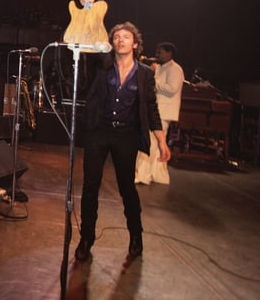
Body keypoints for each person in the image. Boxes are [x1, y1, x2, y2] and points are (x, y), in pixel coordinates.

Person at [74, 21, 171, 262]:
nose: (120, 40)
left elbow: (150, 107)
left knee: (126, 187)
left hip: (126, 134)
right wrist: (88, 8)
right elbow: (89, 36)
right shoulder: (102, 66)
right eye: (116, 36)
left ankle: (136, 236)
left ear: (135, 44)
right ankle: (86, 238)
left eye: (126, 36)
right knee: (90, 186)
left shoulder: (146, 73)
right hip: (99, 131)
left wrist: (161, 140)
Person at [135, 42, 184, 185]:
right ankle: (158, 176)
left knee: (149, 142)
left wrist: (154, 78)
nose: (157, 55)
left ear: (170, 53)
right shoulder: (160, 68)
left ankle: (142, 175)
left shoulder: (175, 69)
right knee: (156, 146)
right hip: (156, 110)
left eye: (160, 52)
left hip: (164, 111)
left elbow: (171, 89)